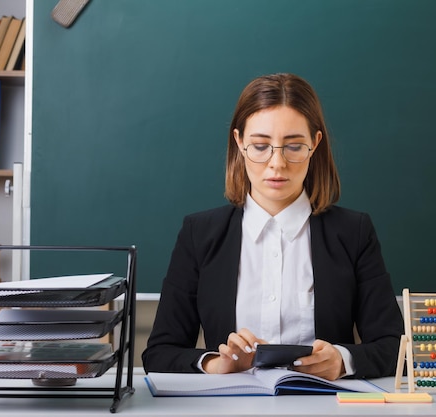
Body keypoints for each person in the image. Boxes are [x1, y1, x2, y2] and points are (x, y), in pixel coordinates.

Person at [142, 73, 404, 380]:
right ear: (239, 142)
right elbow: (160, 352)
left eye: (293, 146)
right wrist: (217, 363)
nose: (276, 163)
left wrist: (343, 360)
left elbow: (395, 346)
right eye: (260, 145)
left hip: (323, 407)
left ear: (314, 144)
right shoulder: (199, 234)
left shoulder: (353, 232)